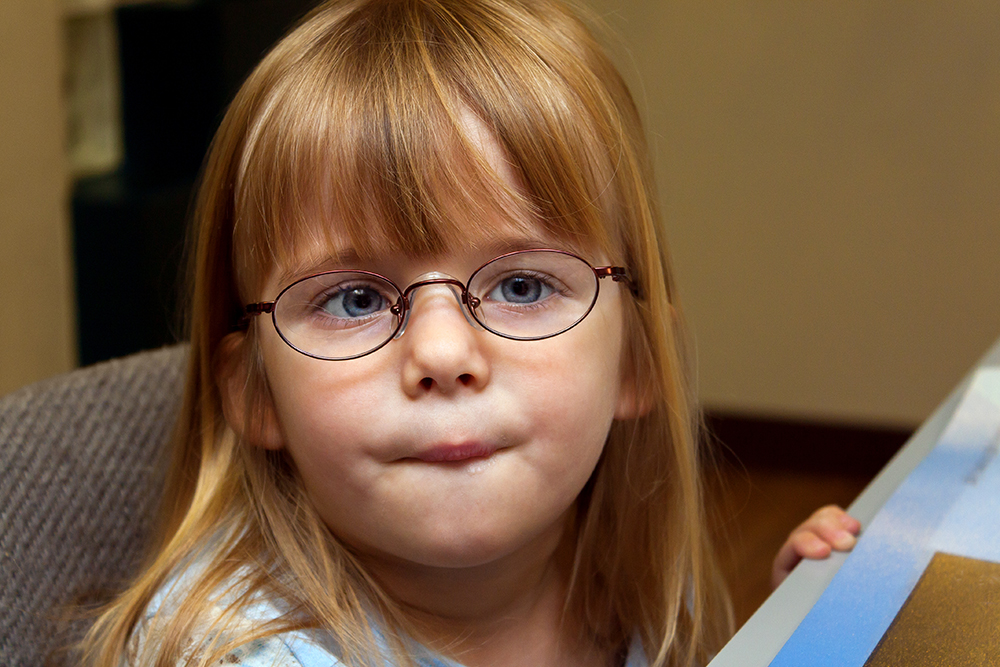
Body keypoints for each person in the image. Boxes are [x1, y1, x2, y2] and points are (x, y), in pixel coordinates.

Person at [79, 1, 858, 665]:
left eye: (523, 285)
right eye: (353, 299)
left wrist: (794, 638)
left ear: (637, 360)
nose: (443, 355)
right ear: (256, 393)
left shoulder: (627, 582)